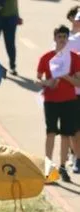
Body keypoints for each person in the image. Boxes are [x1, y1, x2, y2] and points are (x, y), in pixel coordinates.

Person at [38, 26, 80, 182]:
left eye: (64, 37)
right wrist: (48, 83)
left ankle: (62, 167)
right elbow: (38, 80)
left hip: (69, 101)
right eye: (59, 36)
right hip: (51, 100)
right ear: (54, 38)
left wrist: (65, 77)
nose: (61, 39)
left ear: (68, 39)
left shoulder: (74, 58)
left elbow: (79, 82)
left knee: (65, 135)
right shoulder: (46, 57)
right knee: (50, 133)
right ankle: (48, 168)